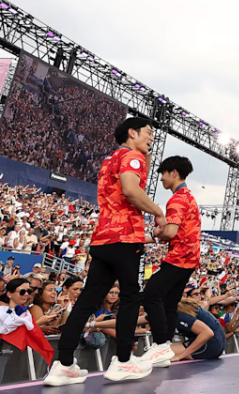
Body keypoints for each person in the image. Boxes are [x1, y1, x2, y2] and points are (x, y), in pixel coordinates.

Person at [45, 118, 165, 386]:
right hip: (125, 238)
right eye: (148, 133)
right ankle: (123, 360)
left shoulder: (110, 158)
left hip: (103, 238)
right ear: (132, 133)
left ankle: (64, 365)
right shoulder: (132, 156)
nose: (151, 138)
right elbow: (131, 191)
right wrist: (158, 212)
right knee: (132, 297)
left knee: (88, 299)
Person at [139, 156, 201, 368]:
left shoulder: (175, 200)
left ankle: (160, 346)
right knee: (169, 304)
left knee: (151, 294)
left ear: (173, 173)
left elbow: (171, 231)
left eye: (163, 173)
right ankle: (163, 350)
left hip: (178, 258)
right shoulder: (189, 197)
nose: (162, 178)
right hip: (190, 260)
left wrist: (156, 232)